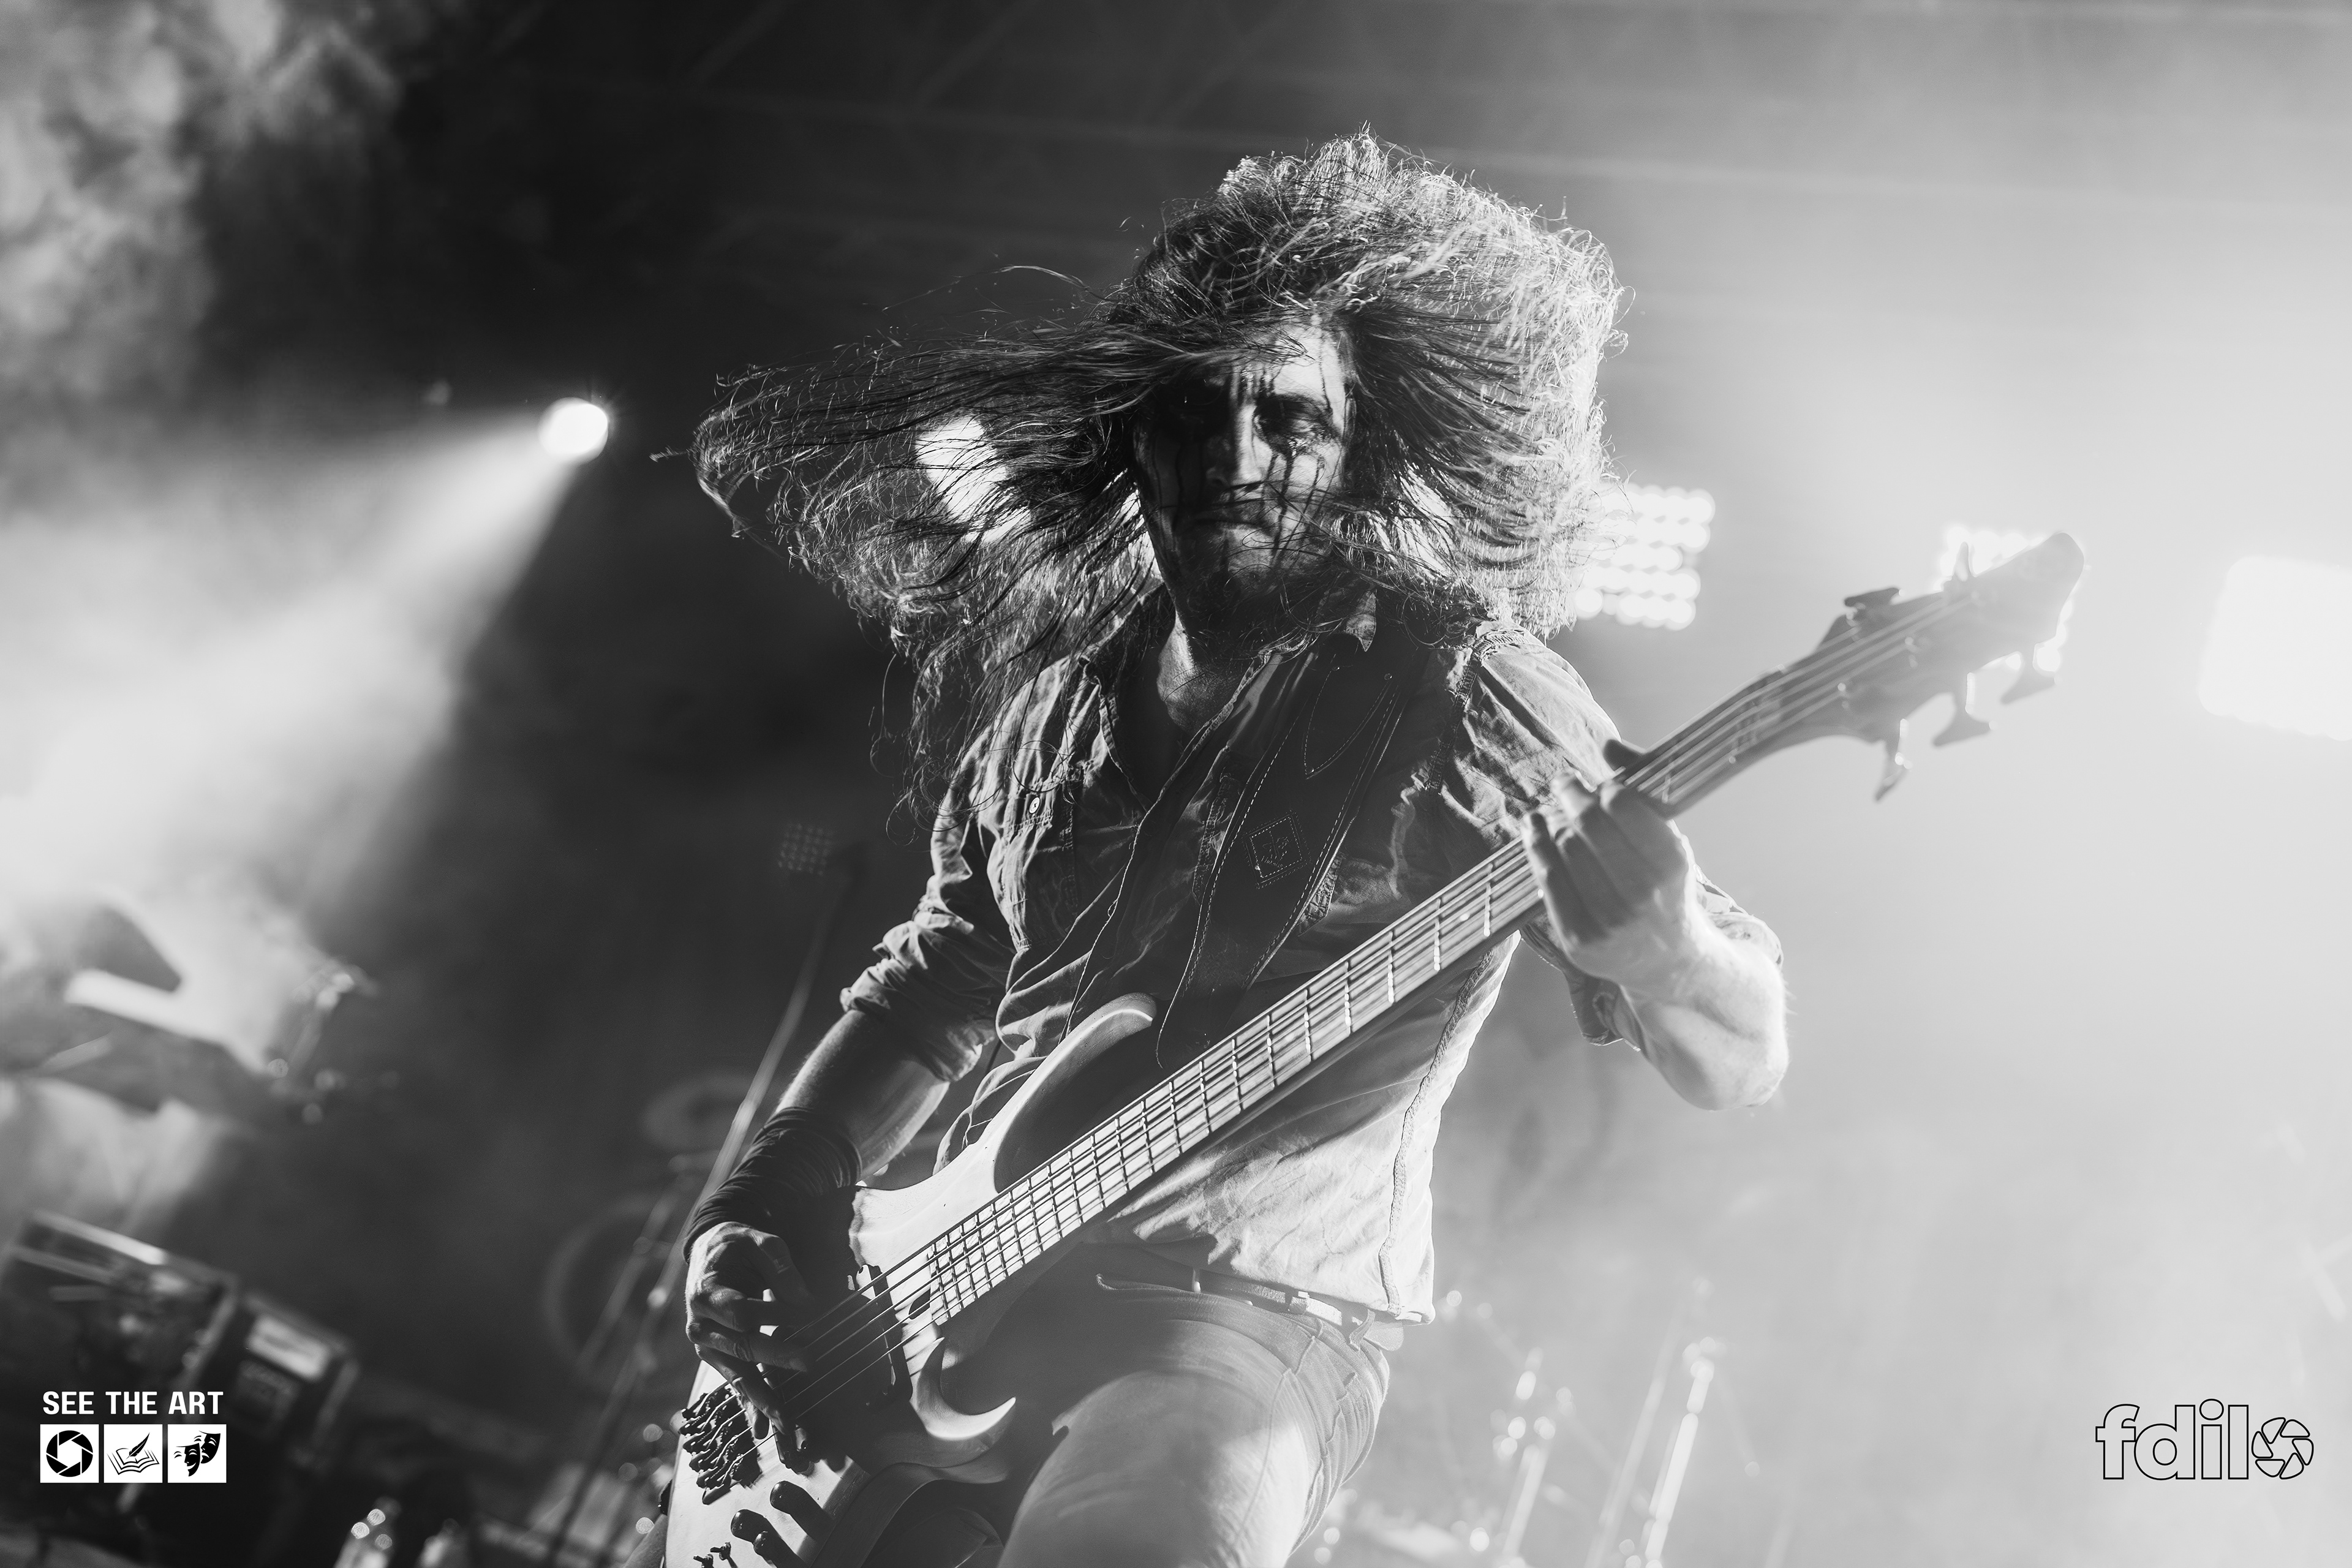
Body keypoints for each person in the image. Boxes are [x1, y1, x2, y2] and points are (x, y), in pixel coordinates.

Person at [658, 132, 1785, 1568]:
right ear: (1134, 433)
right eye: (1193, 408)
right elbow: (933, 993)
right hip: (937, 1309)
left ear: (1363, 445)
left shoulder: (1461, 689)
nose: (1237, 458)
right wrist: (756, 1208)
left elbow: (1740, 1054)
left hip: (1244, 1322)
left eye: (1289, 419)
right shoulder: (1056, 704)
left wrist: (1669, 953)